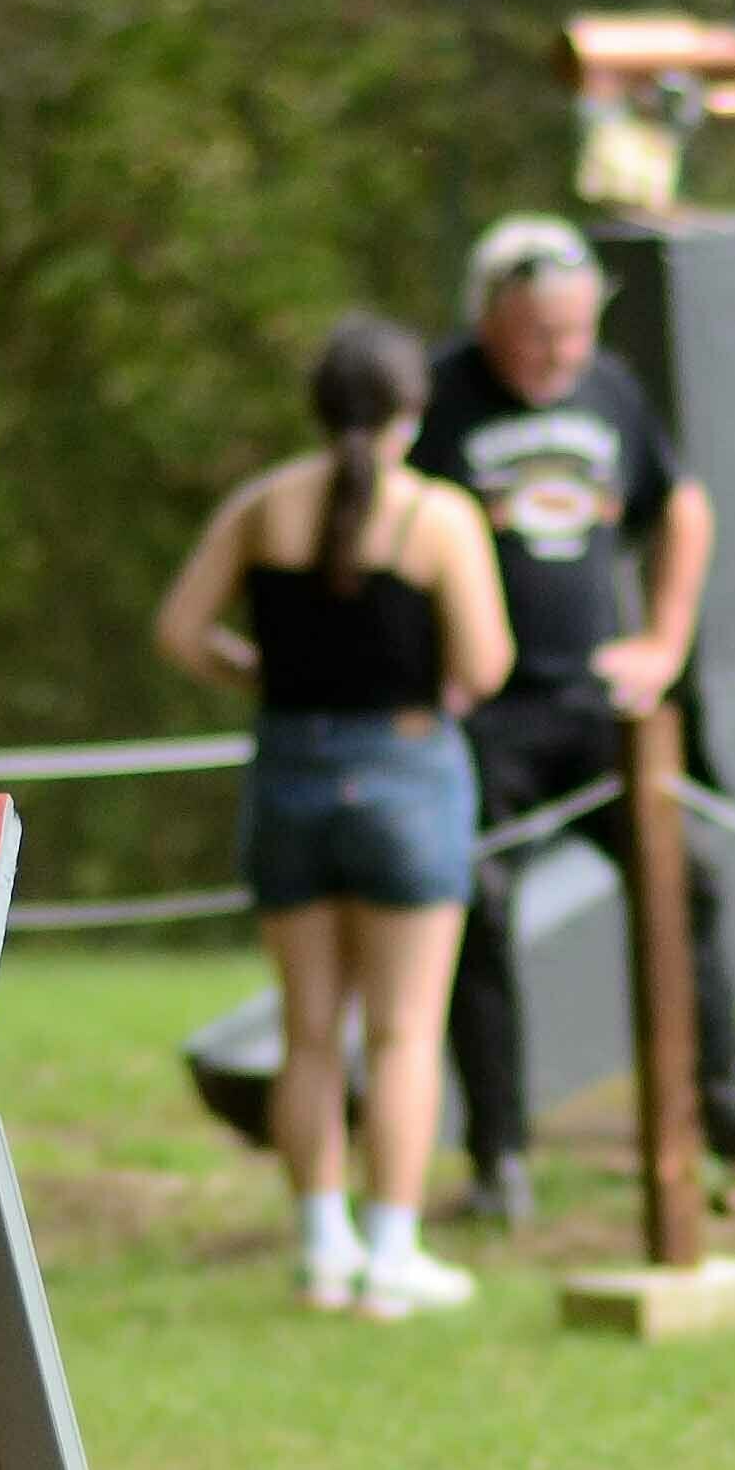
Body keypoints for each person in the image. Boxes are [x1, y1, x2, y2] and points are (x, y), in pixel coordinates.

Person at [419, 216, 735, 1226]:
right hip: (483, 719)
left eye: (570, 333)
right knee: (475, 907)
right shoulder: (436, 399)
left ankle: (722, 1097)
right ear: (486, 321)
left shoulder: (610, 391)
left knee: (683, 881)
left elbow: (680, 507)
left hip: (597, 707)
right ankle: (498, 1157)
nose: (556, 356)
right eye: (533, 337)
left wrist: (663, 642)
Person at [154, 315, 516, 1316]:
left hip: (287, 773)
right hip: (403, 770)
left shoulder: (263, 505)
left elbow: (180, 631)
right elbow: (486, 666)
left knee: (309, 1031)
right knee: (403, 1033)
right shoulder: (434, 517)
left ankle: (321, 1248)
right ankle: (391, 1255)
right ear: (411, 409)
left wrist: (256, 675)